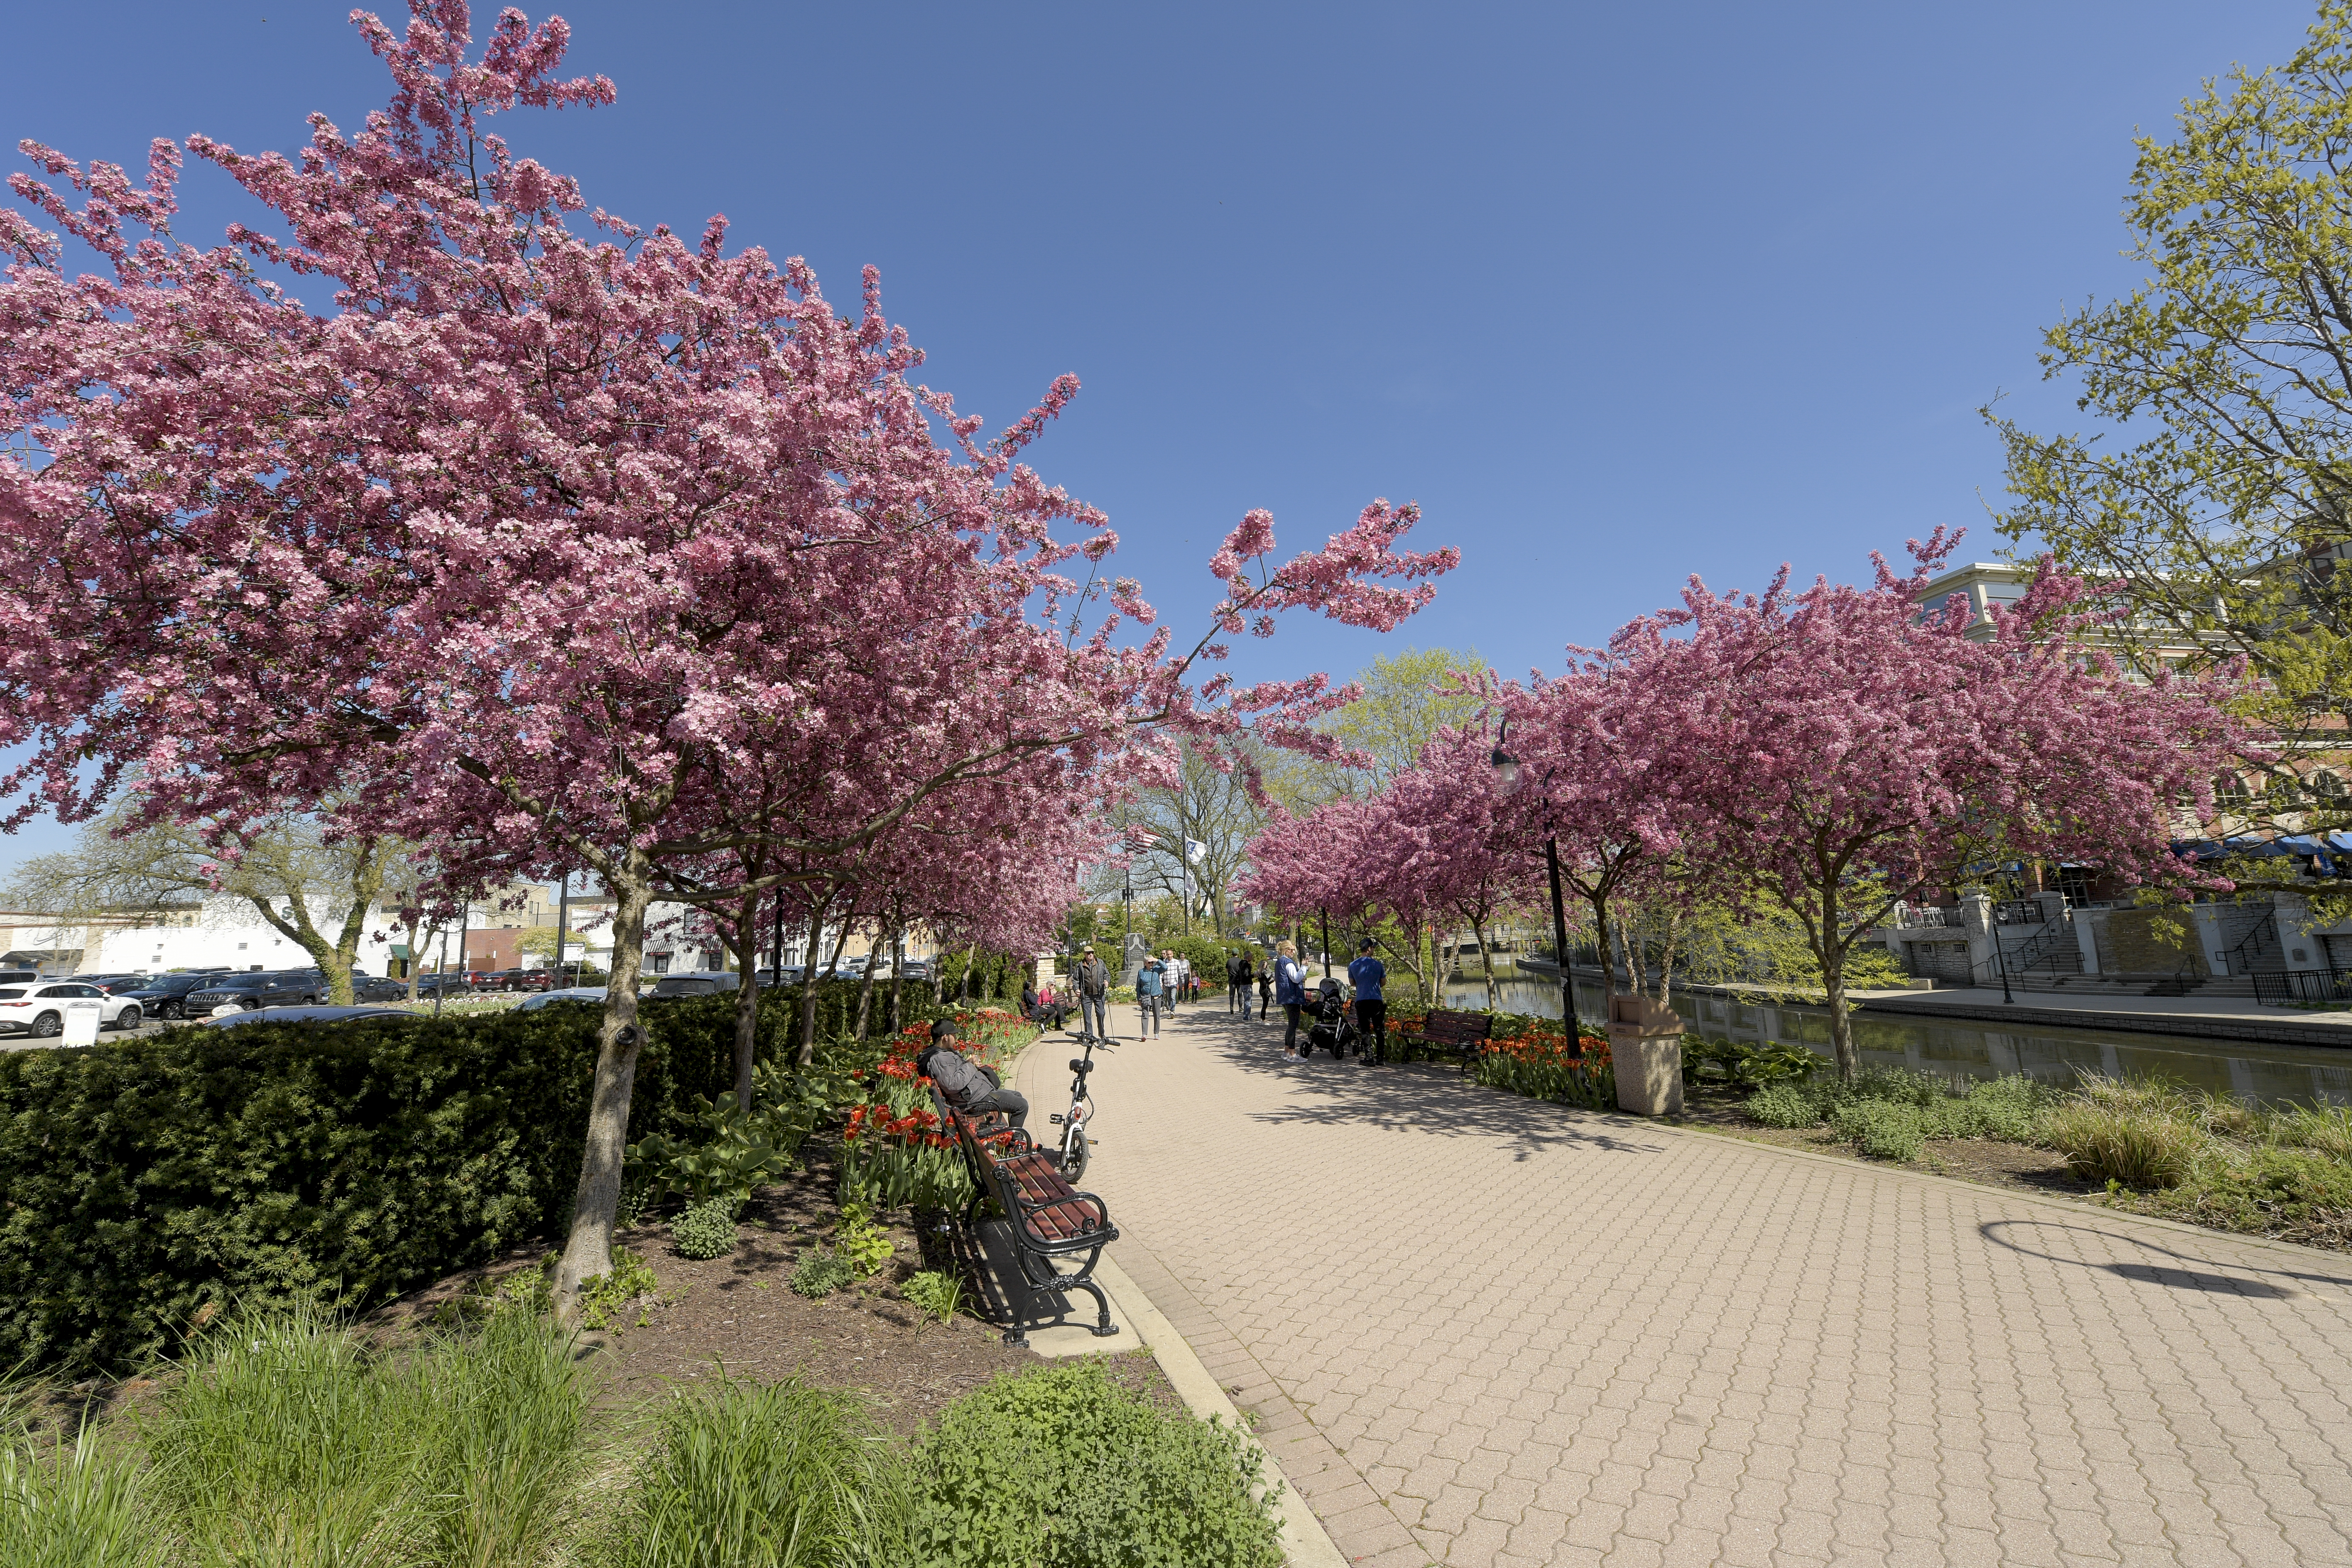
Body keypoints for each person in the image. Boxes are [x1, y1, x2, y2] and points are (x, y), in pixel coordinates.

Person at [917, 1018, 1027, 1130]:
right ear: (945, 1037)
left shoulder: (943, 1055)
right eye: (954, 1035)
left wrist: (970, 1065)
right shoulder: (940, 1058)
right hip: (974, 1101)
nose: (956, 1038)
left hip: (977, 1094)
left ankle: (1014, 1140)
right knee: (1021, 1105)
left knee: (1017, 1096)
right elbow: (954, 1084)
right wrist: (970, 1064)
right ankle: (1016, 1144)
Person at [1347, 939, 1388, 1064]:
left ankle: (1369, 1057)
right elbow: (1383, 982)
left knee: (1365, 1030)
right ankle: (1380, 1058)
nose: (1374, 950)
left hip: (1362, 1000)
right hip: (1376, 1000)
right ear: (1369, 949)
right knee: (1379, 1029)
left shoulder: (1353, 965)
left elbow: (1352, 982)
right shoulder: (1378, 965)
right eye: (1373, 948)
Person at [1274, 940, 1308, 1058]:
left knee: (1290, 1025)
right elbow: (1296, 978)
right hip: (1292, 997)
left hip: (1284, 996)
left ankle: (1286, 1052)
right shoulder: (1288, 963)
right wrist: (1304, 967)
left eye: (1294, 950)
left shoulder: (1279, 962)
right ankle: (1292, 1054)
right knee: (1293, 1026)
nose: (1293, 952)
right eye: (1291, 950)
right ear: (1285, 950)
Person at [1076, 950, 1111, 1040]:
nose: (1091, 954)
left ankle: (1102, 1034)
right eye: (1089, 953)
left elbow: (1107, 974)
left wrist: (1107, 981)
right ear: (1085, 954)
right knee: (1087, 1016)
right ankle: (1089, 1036)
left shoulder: (1100, 963)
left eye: (1092, 953)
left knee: (1101, 1013)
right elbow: (1076, 979)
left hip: (1099, 994)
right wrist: (1077, 989)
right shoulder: (1080, 965)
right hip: (1086, 994)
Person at [1135, 953, 1164, 1037]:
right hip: (1145, 996)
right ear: (1145, 963)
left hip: (1156, 995)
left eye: (1152, 962)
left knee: (1157, 1015)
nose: (1151, 964)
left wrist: (1157, 960)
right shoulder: (1141, 972)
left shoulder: (1157, 970)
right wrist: (1139, 998)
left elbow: (1165, 967)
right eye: (1149, 962)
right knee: (1145, 1015)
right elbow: (1138, 987)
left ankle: (1156, 1033)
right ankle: (1144, 1034)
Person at [1227, 948, 1250, 1014]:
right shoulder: (1240, 961)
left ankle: (1232, 1007)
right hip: (1239, 980)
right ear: (1238, 953)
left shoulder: (1229, 961)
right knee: (1240, 994)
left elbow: (1227, 970)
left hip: (1232, 980)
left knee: (1232, 994)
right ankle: (1240, 1007)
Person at [1256, 955, 1273, 1020]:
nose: (1266, 967)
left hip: (1262, 989)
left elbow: (1265, 982)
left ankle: (1262, 1018)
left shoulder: (1260, 973)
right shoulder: (1262, 974)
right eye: (1266, 966)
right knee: (1265, 1005)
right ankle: (1263, 1019)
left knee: (1265, 1005)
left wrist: (1270, 978)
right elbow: (1265, 983)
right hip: (1264, 990)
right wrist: (1272, 981)